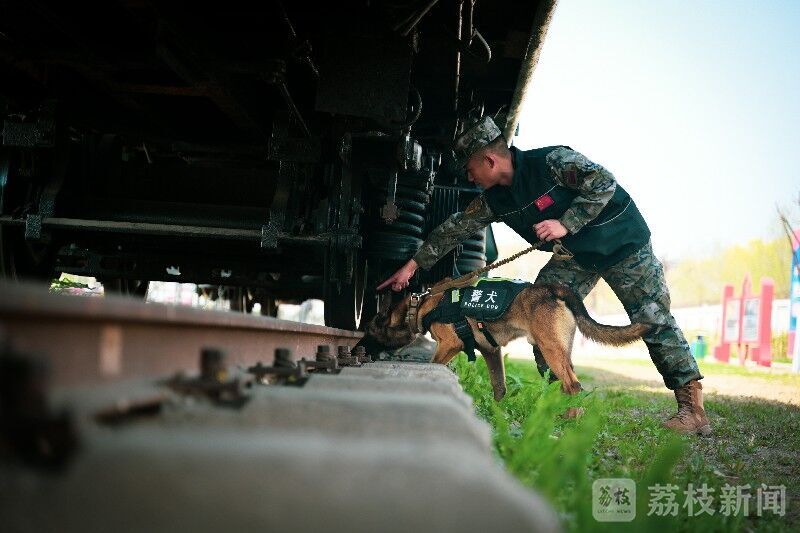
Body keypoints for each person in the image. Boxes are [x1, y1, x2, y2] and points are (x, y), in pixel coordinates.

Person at [376, 116, 711, 436]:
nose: (469, 177)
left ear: (489, 160)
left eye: (470, 169)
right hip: (577, 257)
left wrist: (566, 223)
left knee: (653, 319)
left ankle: (692, 410)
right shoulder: (494, 200)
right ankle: (566, 403)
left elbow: (603, 182)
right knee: (540, 315)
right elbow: (456, 228)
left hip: (622, 243)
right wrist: (413, 265)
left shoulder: (552, 162)